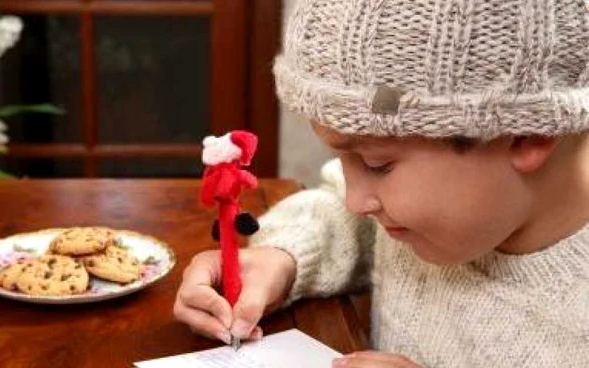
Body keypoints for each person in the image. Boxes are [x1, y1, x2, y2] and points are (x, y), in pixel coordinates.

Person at [174, 0, 589, 366]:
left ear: (527, 134)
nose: (357, 199)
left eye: (378, 165)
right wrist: (283, 258)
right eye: (340, 158)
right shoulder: (426, 212)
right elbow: (343, 213)